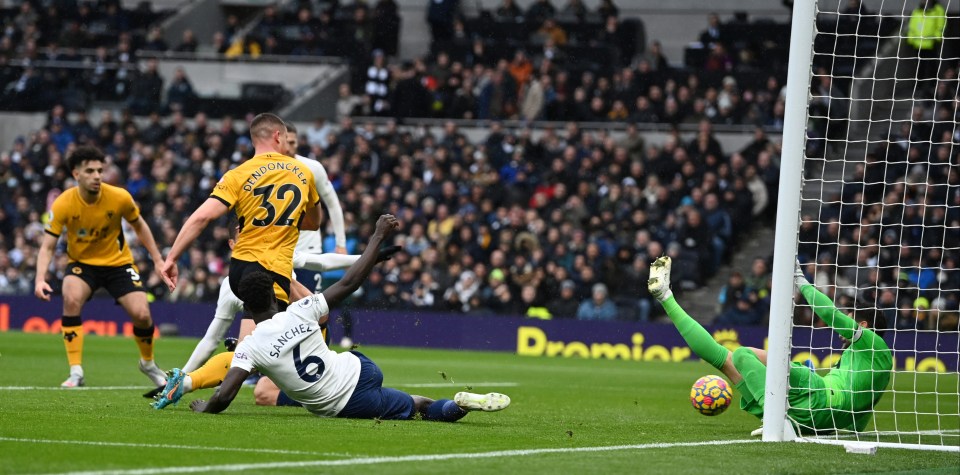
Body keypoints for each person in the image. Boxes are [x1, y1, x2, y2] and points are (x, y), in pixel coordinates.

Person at [161, 215, 512, 422]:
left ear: (246, 309)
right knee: (404, 398)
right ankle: (457, 403)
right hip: (360, 366)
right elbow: (348, 281)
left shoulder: (250, 349)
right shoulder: (301, 308)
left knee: (415, 407)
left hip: (344, 400)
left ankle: (456, 406)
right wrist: (376, 237)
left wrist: (202, 407)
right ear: (274, 294)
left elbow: (224, 395)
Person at [157, 113, 321, 396]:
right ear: (279, 137)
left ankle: (190, 379)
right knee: (264, 348)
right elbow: (314, 222)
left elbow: (201, 218)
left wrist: (171, 258)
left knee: (259, 340)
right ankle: (187, 382)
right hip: (273, 270)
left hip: (242, 268)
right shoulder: (303, 172)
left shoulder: (238, 174)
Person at [647, 256, 892, 434]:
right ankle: (665, 296)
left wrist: (801, 281)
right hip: (808, 419)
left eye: (850, 315)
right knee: (726, 360)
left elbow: (830, 316)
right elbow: (857, 421)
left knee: (742, 354)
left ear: (863, 324)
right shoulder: (867, 363)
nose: (844, 320)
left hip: (817, 399)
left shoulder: (875, 345)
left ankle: (771, 414)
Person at [35, 146, 168, 388]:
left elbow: (140, 226)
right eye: (90, 171)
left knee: (142, 314)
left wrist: (158, 260)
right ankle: (76, 371)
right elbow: (46, 247)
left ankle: (148, 363)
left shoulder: (119, 197)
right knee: (71, 297)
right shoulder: (63, 203)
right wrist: (40, 278)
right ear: (76, 174)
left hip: (118, 263)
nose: (97, 175)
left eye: (100, 170)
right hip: (82, 265)